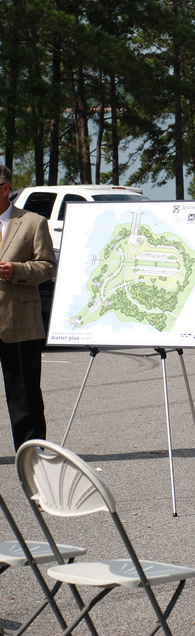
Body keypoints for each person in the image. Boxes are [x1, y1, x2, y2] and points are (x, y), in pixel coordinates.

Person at [0, 164, 56, 450]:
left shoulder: (33, 222)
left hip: (19, 322)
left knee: (25, 399)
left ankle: (32, 455)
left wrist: (16, 270)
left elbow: (47, 266)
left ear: (5, 189)